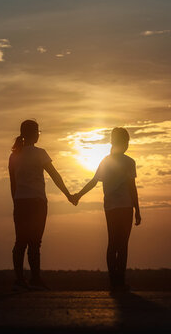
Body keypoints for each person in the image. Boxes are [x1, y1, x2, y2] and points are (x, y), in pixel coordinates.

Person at [8, 119, 75, 290]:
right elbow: (55, 176)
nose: (39, 134)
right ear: (33, 134)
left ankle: (20, 280)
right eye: (38, 131)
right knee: (34, 242)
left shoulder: (14, 156)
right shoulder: (40, 153)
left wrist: (16, 202)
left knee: (20, 242)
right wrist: (68, 194)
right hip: (37, 202)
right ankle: (35, 279)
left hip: (21, 202)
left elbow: (13, 184)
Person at [72, 127, 141, 291]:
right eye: (126, 141)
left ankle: (114, 282)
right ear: (123, 143)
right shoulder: (129, 162)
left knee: (113, 243)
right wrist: (137, 210)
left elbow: (94, 181)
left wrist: (78, 195)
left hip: (111, 207)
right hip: (124, 207)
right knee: (122, 245)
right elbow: (132, 188)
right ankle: (119, 282)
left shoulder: (106, 161)